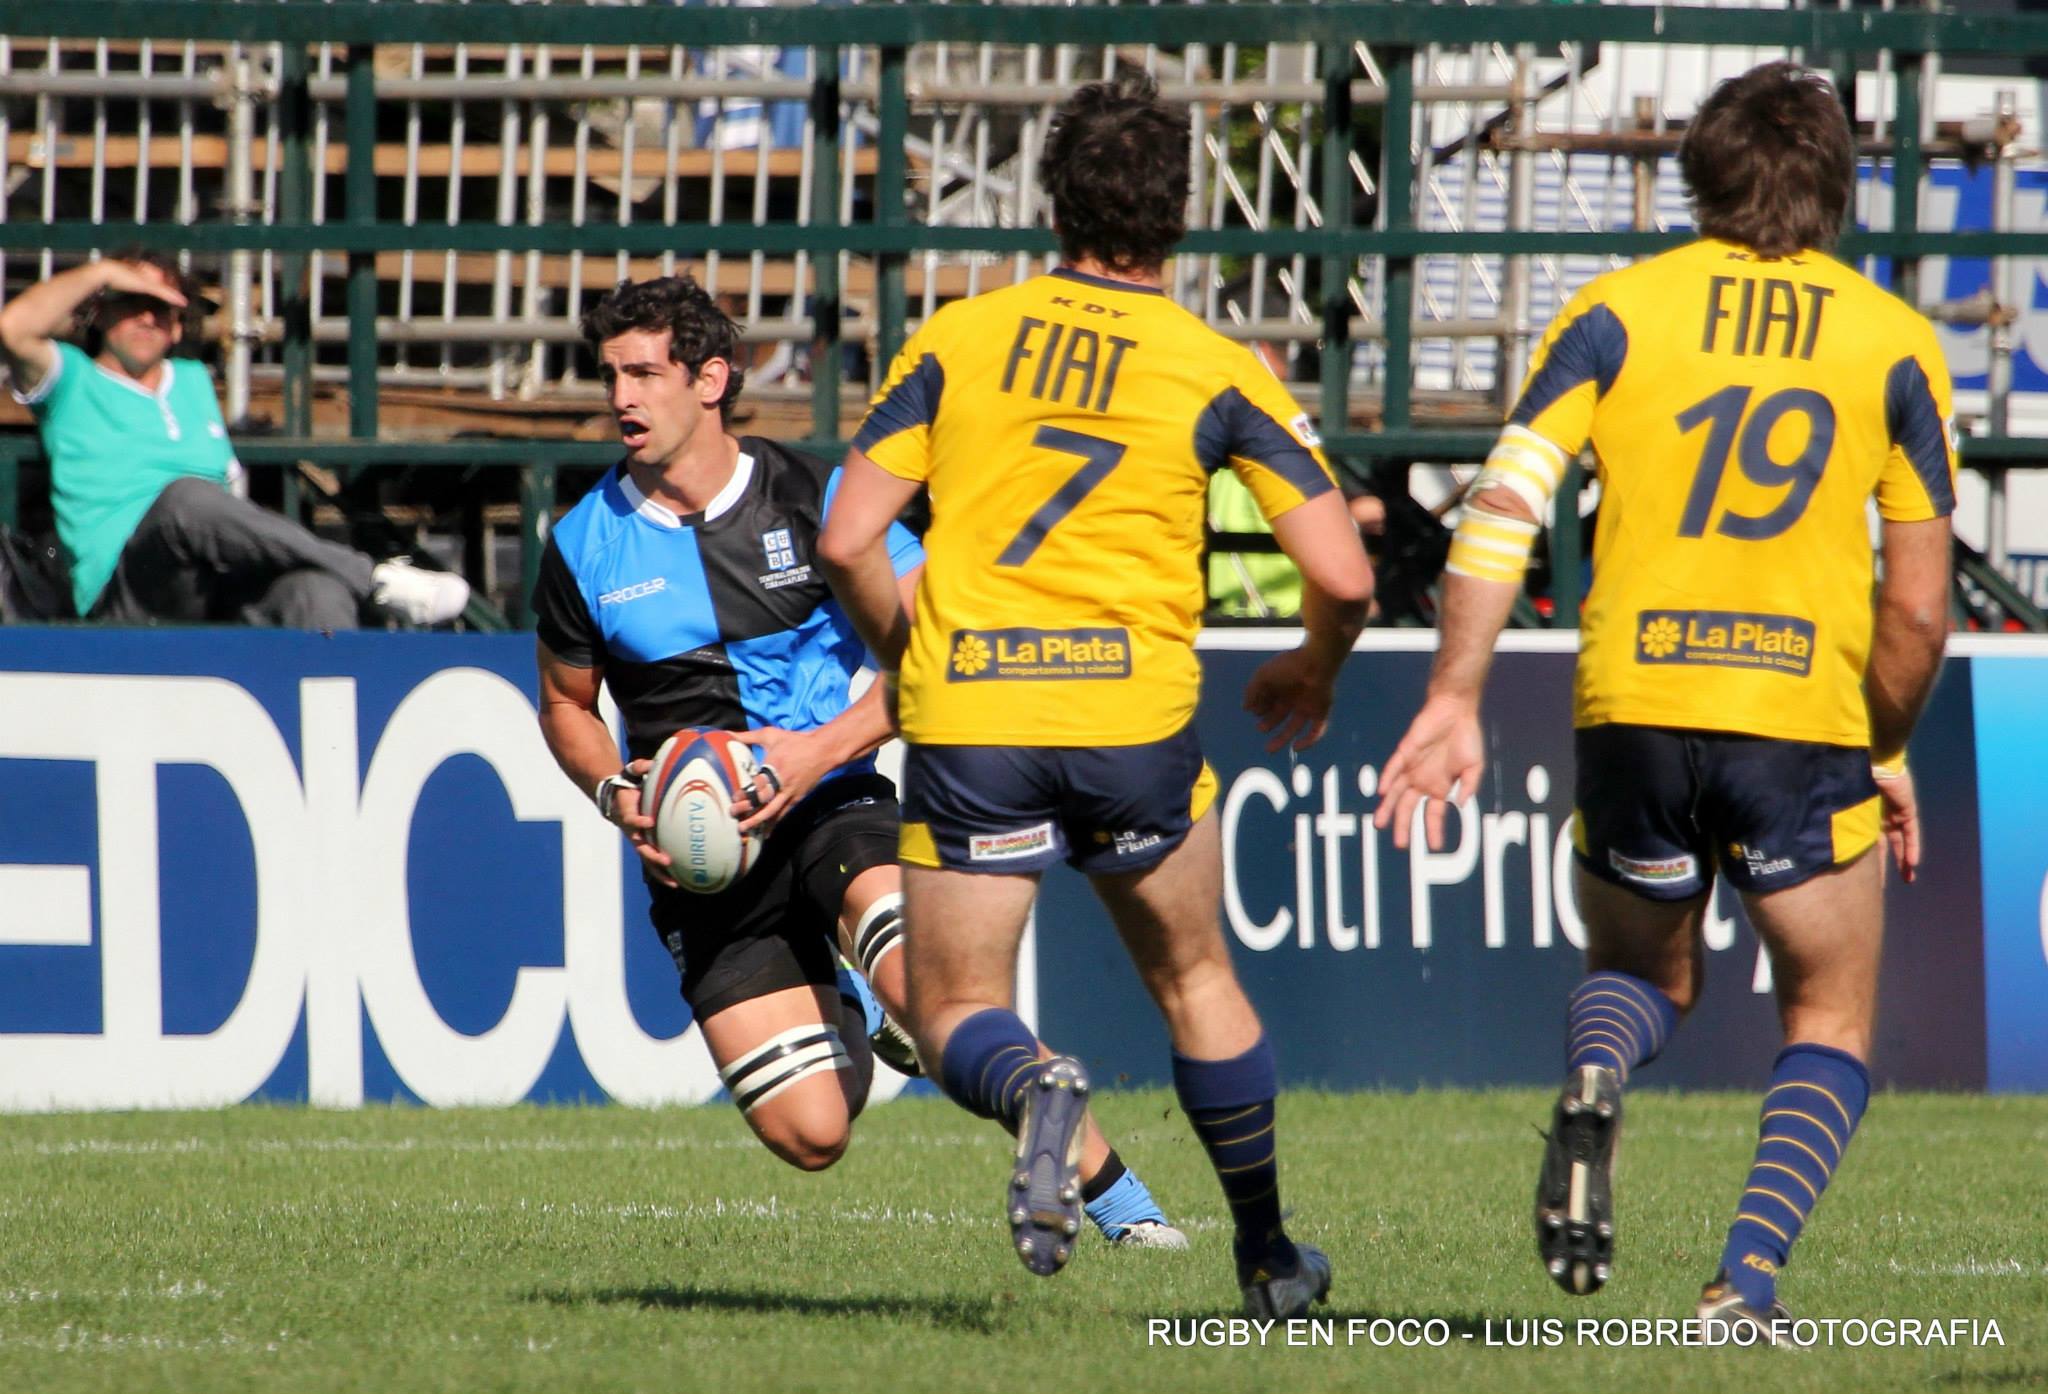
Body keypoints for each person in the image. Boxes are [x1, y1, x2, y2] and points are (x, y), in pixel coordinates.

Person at [1371, 63, 1953, 1337]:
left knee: (1641, 972)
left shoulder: (1615, 312)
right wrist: (1886, 742)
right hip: (1798, 712)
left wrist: (1453, 694)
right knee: (1828, 1013)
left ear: (1697, 175)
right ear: (1836, 186)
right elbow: (1915, 609)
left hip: (1630, 694)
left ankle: (1593, 1065)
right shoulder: (1893, 342)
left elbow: (1500, 509)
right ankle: (1739, 1283)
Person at [817, 75, 1374, 1314]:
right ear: (1177, 214)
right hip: (1133, 719)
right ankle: (1269, 1255)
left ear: (1051, 200)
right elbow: (1342, 571)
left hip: (974, 714)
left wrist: (913, 651)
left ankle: (1032, 1090)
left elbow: (849, 533)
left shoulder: (958, 339)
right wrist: (1311, 664)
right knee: (1196, 980)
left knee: (959, 1004)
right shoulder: (1212, 365)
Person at [533, 274, 1186, 1248]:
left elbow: (936, 648)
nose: (622, 397)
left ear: (710, 377)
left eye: (644, 372)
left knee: (933, 993)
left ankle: (1125, 1208)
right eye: (610, 376)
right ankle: (851, 996)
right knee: (810, 1133)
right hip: (705, 860)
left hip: (836, 800)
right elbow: (565, 705)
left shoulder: (816, 498)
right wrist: (613, 788)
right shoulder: (582, 540)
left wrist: (819, 752)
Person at [0, 251, 469, 628]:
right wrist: (104, 270)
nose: (147, 318)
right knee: (186, 500)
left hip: (216, 579)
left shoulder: (191, 380)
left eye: (161, 309)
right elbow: (12, 327)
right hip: (129, 590)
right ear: (100, 313)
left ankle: (332, 735)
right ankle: (375, 577)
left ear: (179, 326)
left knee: (314, 594)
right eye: (131, 302)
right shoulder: (71, 380)